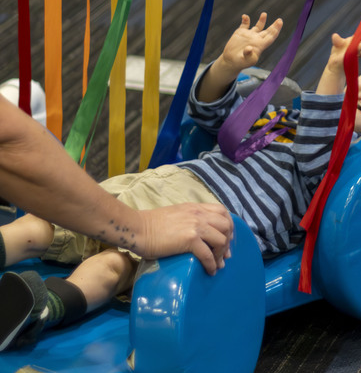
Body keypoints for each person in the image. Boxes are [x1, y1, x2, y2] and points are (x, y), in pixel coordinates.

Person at [0, 12, 361, 351]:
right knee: (44, 224)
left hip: (203, 224)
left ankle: (44, 309)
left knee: (111, 267)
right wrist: (228, 67)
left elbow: (315, 157)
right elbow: (210, 115)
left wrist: (335, 73)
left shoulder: (353, 170)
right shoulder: (288, 115)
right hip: (164, 184)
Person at [0, 96, 232, 273]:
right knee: (49, 232)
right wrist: (143, 228)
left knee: (113, 263)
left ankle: (50, 305)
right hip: (165, 187)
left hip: (169, 191)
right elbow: (11, 143)